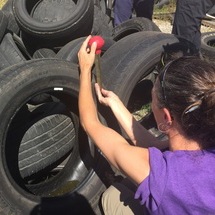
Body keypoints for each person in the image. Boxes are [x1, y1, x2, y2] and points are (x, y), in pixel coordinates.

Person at [78, 35, 215, 214]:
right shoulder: (204, 137)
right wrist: (116, 104)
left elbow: (90, 123)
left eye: (153, 99)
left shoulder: (165, 178)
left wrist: (85, 70)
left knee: (112, 197)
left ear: (166, 117)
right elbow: (156, 147)